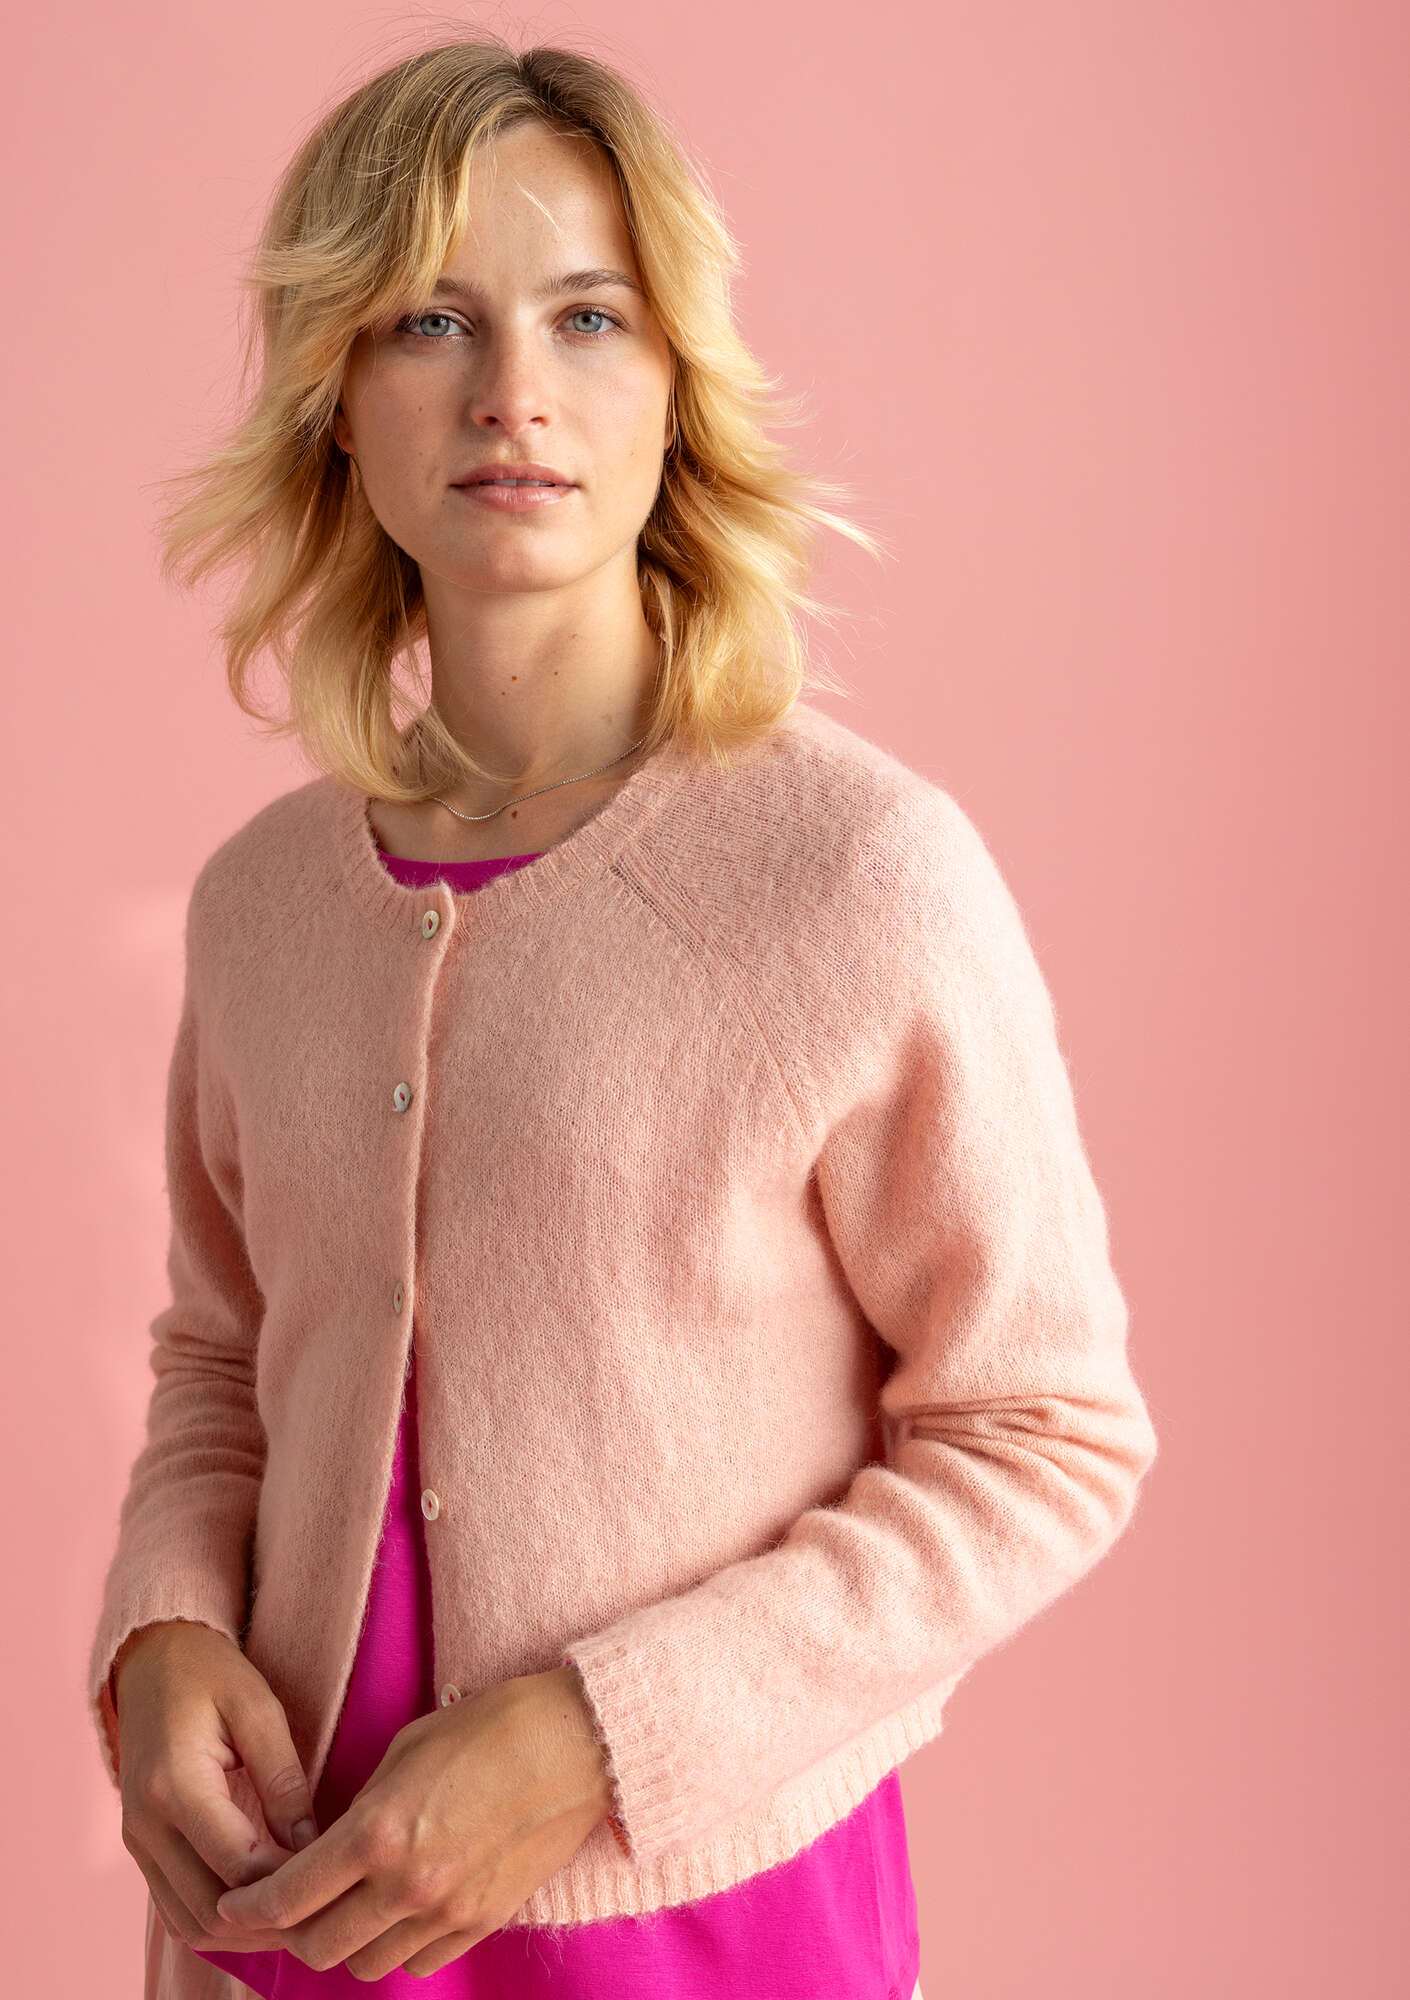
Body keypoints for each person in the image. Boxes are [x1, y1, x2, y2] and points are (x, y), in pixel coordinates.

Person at [88, 35, 1157, 2000]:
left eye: (589, 316)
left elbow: (1044, 1433)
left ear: (675, 383)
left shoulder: (853, 878)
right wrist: (162, 1632)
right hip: (284, 1922)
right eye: (430, 320)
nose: (513, 390)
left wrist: (596, 1733)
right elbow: (226, 1362)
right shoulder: (265, 908)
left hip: (705, 1933)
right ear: (337, 399)